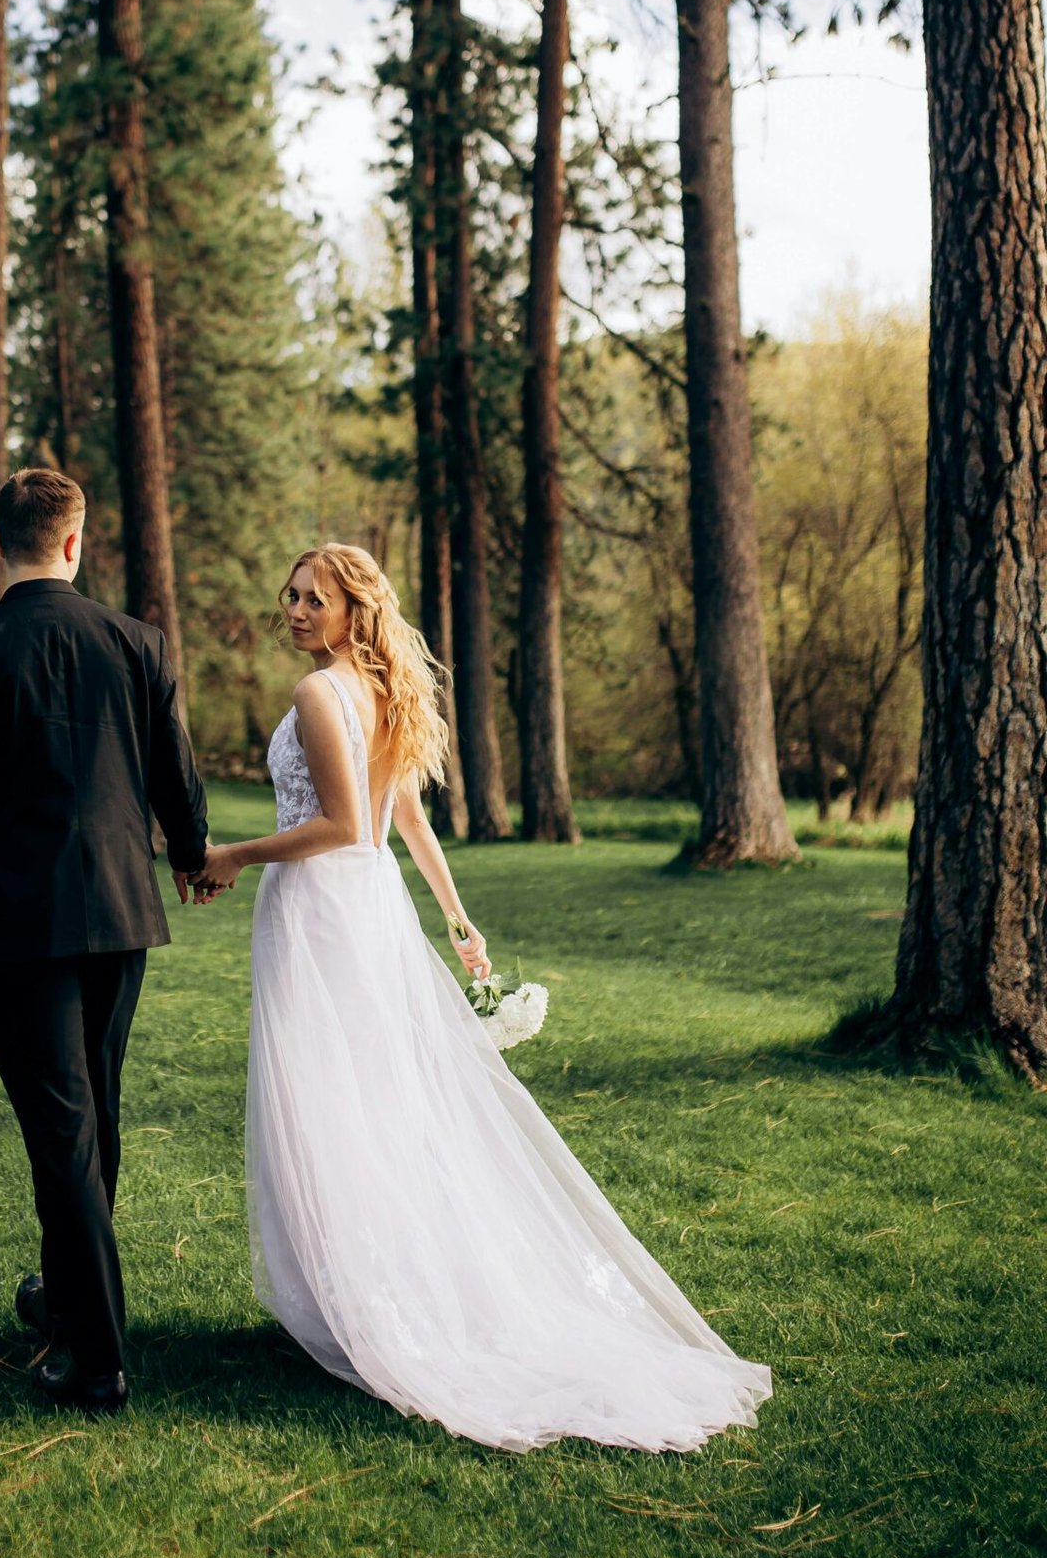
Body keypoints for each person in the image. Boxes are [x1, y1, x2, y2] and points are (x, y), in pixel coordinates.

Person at [183, 542, 771, 1454]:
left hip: (324, 911)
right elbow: (401, 819)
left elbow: (346, 826)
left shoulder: (318, 694)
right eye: (290, 594)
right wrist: (458, 920)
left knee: (335, 1102)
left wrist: (231, 855)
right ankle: (368, 1288)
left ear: (354, 611)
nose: (295, 611)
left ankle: (368, 1303)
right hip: (366, 909)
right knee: (378, 1102)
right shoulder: (379, 691)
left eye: (316, 599)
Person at [0, 469, 209, 1414]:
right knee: (89, 1118)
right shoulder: (138, 642)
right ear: (75, 542)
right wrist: (191, 856)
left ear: (1, 544)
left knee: (64, 1129)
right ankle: (66, 1298)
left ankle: (96, 1355)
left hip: (21, 925)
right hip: (120, 919)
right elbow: (175, 774)